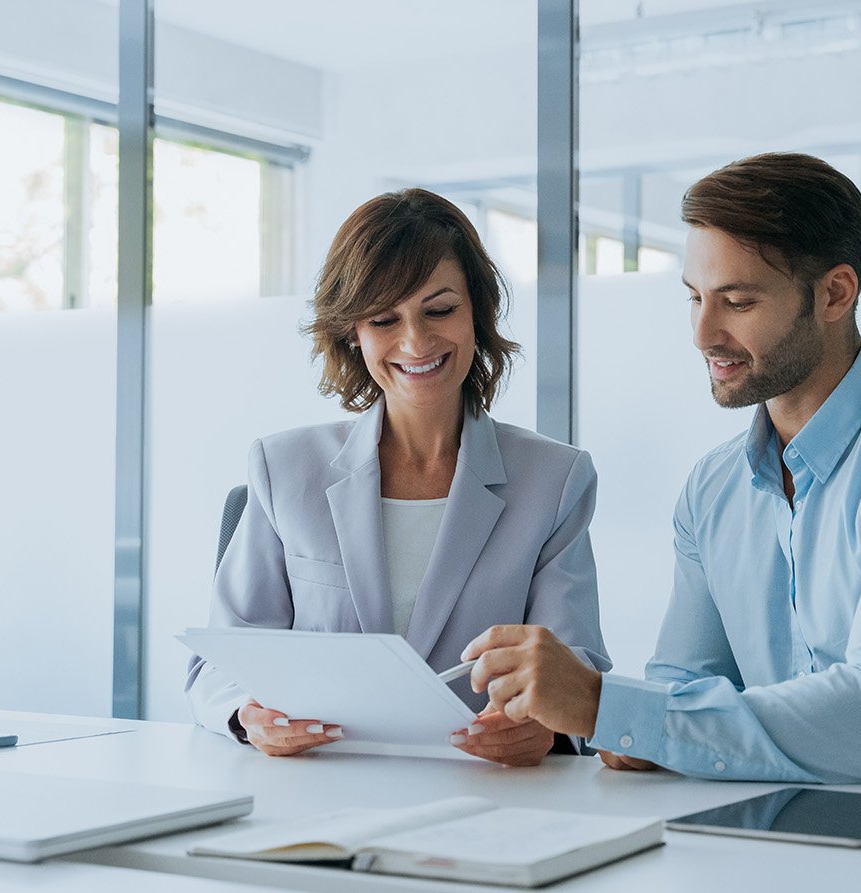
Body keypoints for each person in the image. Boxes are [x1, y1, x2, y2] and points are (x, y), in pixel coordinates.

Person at [462, 152, 861, 789]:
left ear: (835, 294)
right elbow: (681, 686)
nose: (702, 333)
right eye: (694, 298)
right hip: (778, 821)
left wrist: (614, 710)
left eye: (737, 302)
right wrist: (619, 727)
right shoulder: (713, 489)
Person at [186, 188, 610, 766]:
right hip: (319, 788)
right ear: (351, 334)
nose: (416, 342)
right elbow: (219, 665)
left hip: (486, 794)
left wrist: (548, 729)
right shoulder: (284, 469)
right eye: (384, 319)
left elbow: (576, 669)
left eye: (440, 310)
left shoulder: (555, 480)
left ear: (477, 313)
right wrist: (247, 716)